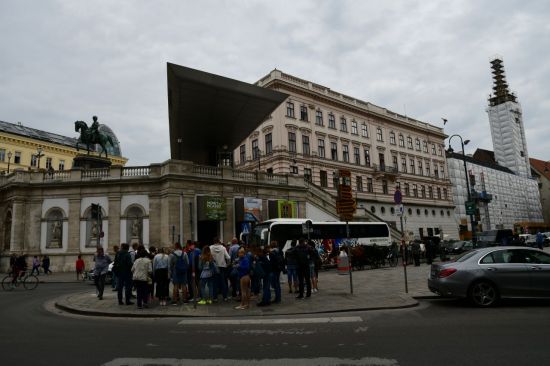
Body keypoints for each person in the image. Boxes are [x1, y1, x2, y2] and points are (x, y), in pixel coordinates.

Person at [210, 237, 230, 302]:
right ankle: (225, 297)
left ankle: (215, 298)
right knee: (223, 282)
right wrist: (227, 264)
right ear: (219, 241)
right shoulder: (223, 248)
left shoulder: (210, 248)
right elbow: (228, 257)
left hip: (214, 267)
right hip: (222, 267)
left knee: (214, 283)